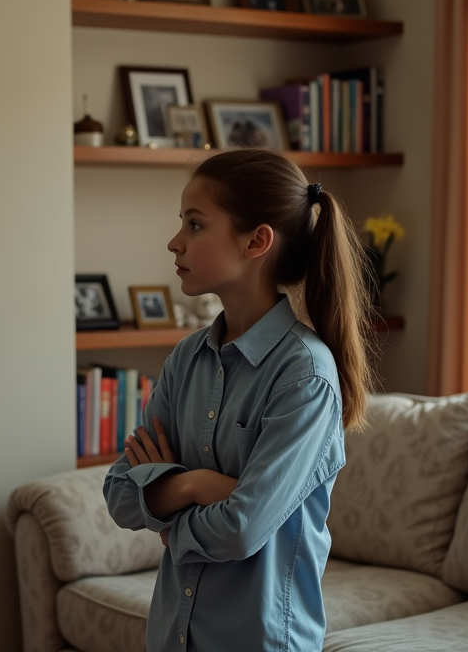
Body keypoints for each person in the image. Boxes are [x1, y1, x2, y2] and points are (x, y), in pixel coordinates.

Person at [103, 149, 373, 652]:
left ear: (256, 241)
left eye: (195, 224)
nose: (175, 241)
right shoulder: (186, 358)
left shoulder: (305, 376)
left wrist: (169, 510)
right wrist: (198, 485)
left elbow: (242, 529)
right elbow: (119, 492)